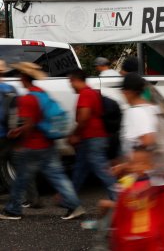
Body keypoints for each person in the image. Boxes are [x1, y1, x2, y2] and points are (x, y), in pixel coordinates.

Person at [0, 62, 85, 221]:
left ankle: (13, 210)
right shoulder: (42, 93)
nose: (18, 78)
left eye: (20, 75)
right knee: (58, 177)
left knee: (21, 179)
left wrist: (19, 144)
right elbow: (37, 121)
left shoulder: (28, 99)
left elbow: (29, 124)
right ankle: (75, 206)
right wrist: (18, 130)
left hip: (33, 146)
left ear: (24, 77)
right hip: (48, 142)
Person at [118, 73, 164, 249]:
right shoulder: (152, 107)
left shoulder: (136, 112)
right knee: (161, 222)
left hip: (149, 177)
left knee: (146, 226)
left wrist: (128, 166)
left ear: (128, 92)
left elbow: (147, 140)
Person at [68, 69, 116, 200]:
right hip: (90, 137)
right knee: (79, 169)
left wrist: (75, 134)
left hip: (93, 137)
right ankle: (69, 200)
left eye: (70, 81)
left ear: (75, 80)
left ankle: (118, 199)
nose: (70, 85)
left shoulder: (86, 94)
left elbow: (84, 118)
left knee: (102, 170)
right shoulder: (91, 93)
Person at [110, 147, 159, 250]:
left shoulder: (153, 187)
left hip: (142, 236)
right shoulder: (128, 186)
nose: (137, 167)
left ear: (151, 166)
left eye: (142, 163)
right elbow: (120, 211)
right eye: (134, 163)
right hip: (133, 236)